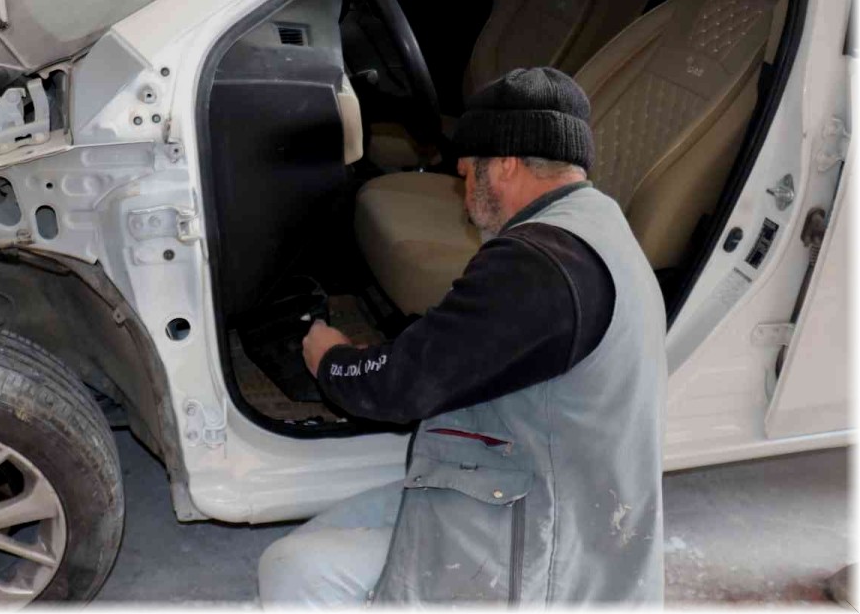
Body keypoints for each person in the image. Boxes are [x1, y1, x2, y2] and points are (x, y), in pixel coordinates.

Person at [257, 67, 667, 606]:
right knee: (315, 538)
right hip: (555, 496)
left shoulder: (537, 265)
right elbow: (472, 340)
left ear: (506, 164)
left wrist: (329, 358)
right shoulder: (595, 229)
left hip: (545, 542)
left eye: (468, 175)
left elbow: (400, 388)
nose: (464, 193)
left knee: (293, 570)